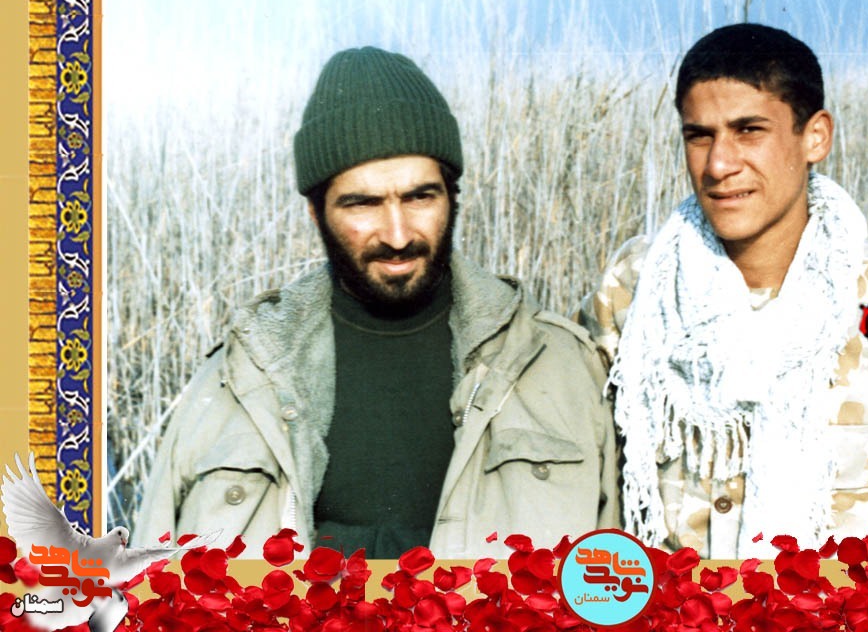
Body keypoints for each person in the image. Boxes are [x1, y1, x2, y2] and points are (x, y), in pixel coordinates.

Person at [135, 46, 618, 558]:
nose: (397, 234)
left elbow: (613, 586)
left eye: (419, 197)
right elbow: (142, 587)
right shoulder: (236, 381)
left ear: (453, 197)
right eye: (362, 203)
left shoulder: (563, 369)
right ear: (316, 213)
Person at [577, 23, 868, 559]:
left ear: (815, 137)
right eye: (699, 135)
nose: (719, 164)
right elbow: (579, 492)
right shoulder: (633, 292)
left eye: (749, 131)